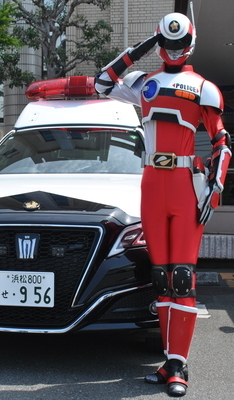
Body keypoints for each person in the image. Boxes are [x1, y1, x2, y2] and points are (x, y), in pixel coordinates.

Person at [95, 12, 231, 397]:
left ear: (190, 44)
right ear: (160, 43)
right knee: (161, 278)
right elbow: (103, 83)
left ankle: (179, 366)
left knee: (182, 277)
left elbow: (221, 141)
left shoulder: (203, 88)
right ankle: (168, 361)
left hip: (185, 185)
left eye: (178, 43)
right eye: (166, 43)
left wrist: (215, 186)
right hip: (152, 183)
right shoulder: (145, 83)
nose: (173, 49)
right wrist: (138, 50)